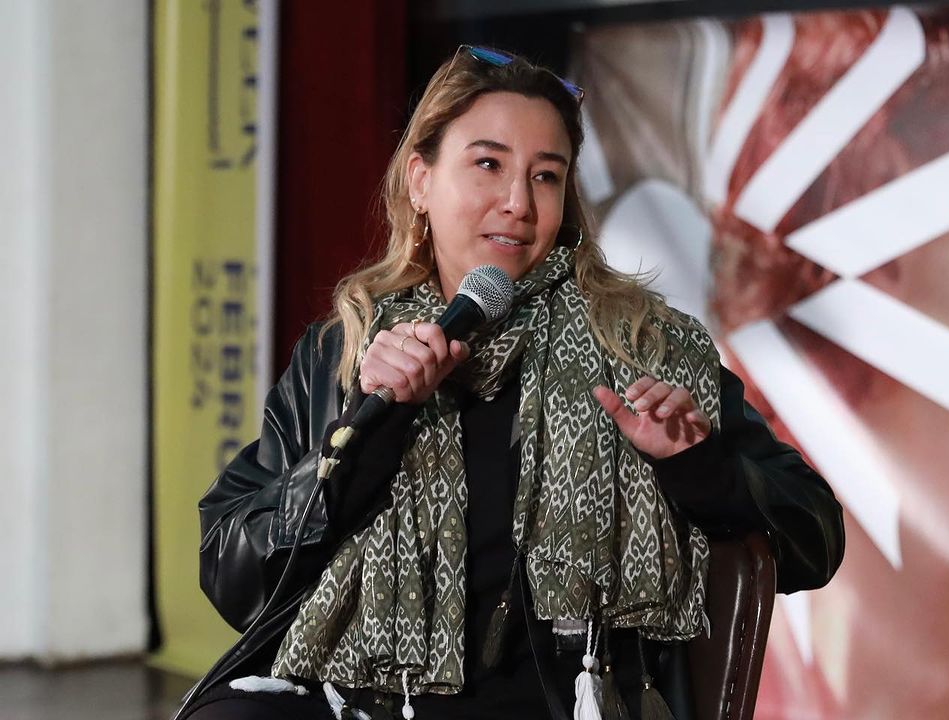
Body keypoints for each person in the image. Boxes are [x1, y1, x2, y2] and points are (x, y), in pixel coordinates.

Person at [181, 45, 845, 720]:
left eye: (546, 176)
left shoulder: (643, 347)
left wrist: (696, 465)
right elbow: (233, 573)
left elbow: (814, 535)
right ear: (420, 181)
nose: (518, 204)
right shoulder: (347, 352)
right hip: (364, 700)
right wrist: (366, 428)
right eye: (488, 165)